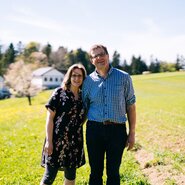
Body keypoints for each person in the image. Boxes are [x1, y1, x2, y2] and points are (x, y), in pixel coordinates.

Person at [82, 44, 136, 185]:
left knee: (113, 172)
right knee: (95, 172)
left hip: (117, 131)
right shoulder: (87, 82)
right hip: (94, 131)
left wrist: (132, 133)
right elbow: (83, 108)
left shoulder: (124, 77)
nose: (99, 58)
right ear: (91, 60)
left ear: (108, 56)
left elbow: (131, 105)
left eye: (102, 54)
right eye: (95, 56)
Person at [40, 63, 87, 185]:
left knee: (71, 176)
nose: (77, 78)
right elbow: (49, 119)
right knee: (49, 176)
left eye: (80, 76)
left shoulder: (84, 97)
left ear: (83, 78)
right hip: (56, 141)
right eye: (74, 75)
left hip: (74, 142)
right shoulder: (59, 93)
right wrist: (49, 141)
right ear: (69, 77)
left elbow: (83, 118)